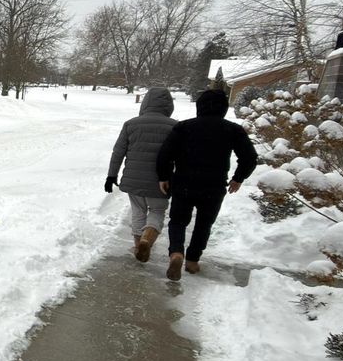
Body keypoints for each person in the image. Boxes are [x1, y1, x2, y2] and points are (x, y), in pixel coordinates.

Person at [155, 89, 258, 281]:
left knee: (178, 220)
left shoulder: (184, 127)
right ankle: (193, 260)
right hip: (214, 185)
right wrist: (238, 178)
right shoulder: (233, 129)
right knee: (204, 223)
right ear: (224, 109)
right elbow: (250, 158)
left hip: (184, 182)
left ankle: (176, 253)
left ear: (199, 107)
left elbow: (165, 154)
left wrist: (164, 177)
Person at [106, 87, 178, 262]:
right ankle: (147, 238)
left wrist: (111, 176)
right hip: (162, 181)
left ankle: (138, 245)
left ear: (145, 103)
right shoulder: (175, 126)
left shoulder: (131, 124)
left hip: (134, 179)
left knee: (138, 211)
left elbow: (118, 152)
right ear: (169, 105)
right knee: (157, 211)